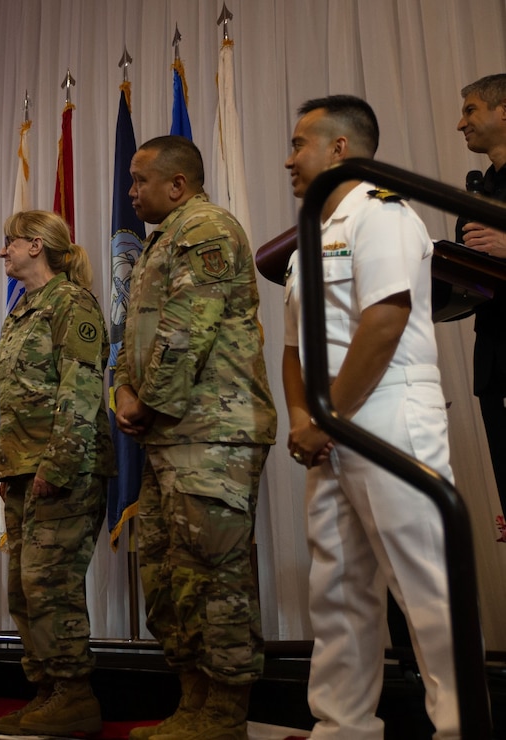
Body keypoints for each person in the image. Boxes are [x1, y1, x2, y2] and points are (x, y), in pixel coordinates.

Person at [283, 94, 458, 739]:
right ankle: (343, 727)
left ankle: (460, 729)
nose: (288, 159)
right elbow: (293, 349)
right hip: (328, 425)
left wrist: (323, 419)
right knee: (339, 589)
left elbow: (384, 321)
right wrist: (304, 417)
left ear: (339, 150)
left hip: (386, 411)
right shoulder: (307, 244)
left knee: (426, 587)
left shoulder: (382, 216)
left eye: (300, 144)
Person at [114, 135, 276, 740]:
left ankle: (225, 710)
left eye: (139, 181)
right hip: (169, 434)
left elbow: (186, 332)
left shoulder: (205, 229)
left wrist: (144, 399)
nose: (131, 193)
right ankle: (193, 701)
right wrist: (125, 393)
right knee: (164, 573)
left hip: (213, 431)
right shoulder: (163, 239)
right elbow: (135, 335)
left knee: (215, 574)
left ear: (177, 184)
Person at [0, 211, 115, 736]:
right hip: (21, 467)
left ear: (35, 245)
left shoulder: (71, 303)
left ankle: (74, 694)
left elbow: (81, 387)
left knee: (50, 584)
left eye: (10, 244)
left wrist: (60, 462)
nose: (3, 254)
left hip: (64, 466)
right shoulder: (23, 311)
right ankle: (46, 691)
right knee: (23, 588)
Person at [456, 73, 506, 530]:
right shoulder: (481, 187)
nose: (460, 123)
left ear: (503, 111)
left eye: (470, 110)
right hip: (495, 360)